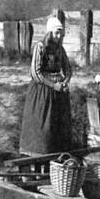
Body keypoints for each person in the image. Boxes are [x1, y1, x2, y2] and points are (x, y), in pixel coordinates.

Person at [19, 17, 72, 156]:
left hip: (58, 93)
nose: (59, 36)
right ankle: (36, 161)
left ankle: (54, 163)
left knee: (57, 129)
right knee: (42, 127)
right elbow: (35, 73)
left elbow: (68, 70)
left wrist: (64, 82)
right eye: (56, 33)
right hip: (42, 92)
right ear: (49, 33)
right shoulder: (40, 47)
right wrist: (53, 85)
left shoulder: (61, 50)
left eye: (61, 33)